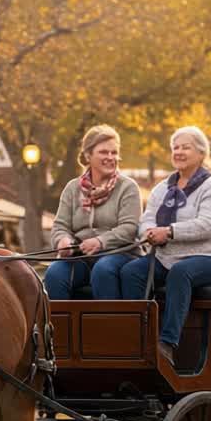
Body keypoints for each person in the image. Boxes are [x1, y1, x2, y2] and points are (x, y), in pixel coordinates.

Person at [119, 126, 211, 364]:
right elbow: (147, 217)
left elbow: (209, 224)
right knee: (131, 272)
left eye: (185, 147)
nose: (179, 152)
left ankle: (167, 343)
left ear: (201, 153)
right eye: (175, 147)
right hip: (165, 257)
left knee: (181, 272)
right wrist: (147, 231)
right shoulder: (163, 188)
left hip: (207, 258)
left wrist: (169, 232)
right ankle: (139, 337)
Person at [46, 125, 143, 299]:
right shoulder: (72, 188)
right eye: (104, 152)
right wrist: (63, 241)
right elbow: (60, 226)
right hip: (81, 258)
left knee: (103, 269)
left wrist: (100, 241)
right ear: (88, 155)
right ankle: (63, 325)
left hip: (121, 255)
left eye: (114, 153)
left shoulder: (128, 187)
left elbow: (129, 228)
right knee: (55, 273)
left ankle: (108, 325)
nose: (110, 157)